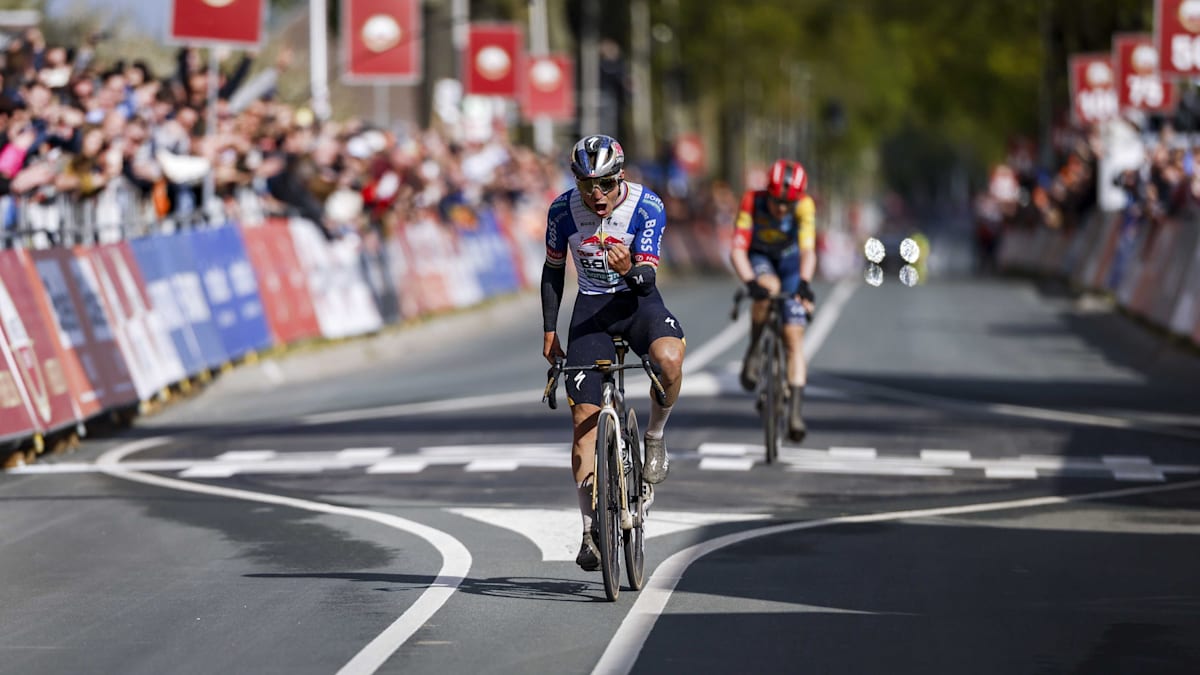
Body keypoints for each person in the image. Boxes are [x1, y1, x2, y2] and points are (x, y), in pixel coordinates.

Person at [541, 134, 686, 572]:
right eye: (587, 184)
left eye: (604, 184)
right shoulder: (563, 211)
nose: (596, 195)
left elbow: (647, 279)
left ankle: (655, 436)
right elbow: (551, 272)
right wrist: (550, 330)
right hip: (591, 311)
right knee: (583, 424)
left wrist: (629, 270)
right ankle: (589, 530)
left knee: (670, 358)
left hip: (637, 303)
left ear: (619, 177)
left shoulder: (647, 206)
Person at [729, 158, 817, 442]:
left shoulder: (804, 206)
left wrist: (804, 283)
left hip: (791, 263)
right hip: (761, 257)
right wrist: (750, 283)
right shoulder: (752, 201)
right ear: (768, 192)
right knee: (767, 288)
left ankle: (795, 413)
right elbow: (737, 249)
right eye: (777, 202)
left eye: (787, 205)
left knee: (793, 336)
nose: (781, 209)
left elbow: (808, 250)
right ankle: (754, 349)